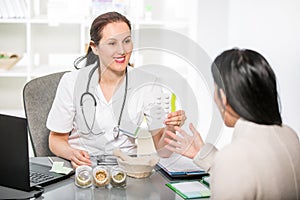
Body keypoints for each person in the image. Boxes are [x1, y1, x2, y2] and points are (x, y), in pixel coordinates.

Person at [47, 12, 186, 168]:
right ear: (95, 47)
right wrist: (71, 153)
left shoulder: (148, 83)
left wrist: (171, 128)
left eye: (126, 41)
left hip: (126, 170)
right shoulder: (72, 82)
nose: (122, 50)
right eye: (112, 43)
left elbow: (164, 152)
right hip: (82, 170)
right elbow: (55, 140)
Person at [164, 48, 300, 199]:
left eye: (215, 89)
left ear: (223, 97)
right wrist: (202, 153)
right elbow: (256, 174)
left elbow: (238, 166)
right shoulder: (290, 135)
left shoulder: (234, 157)